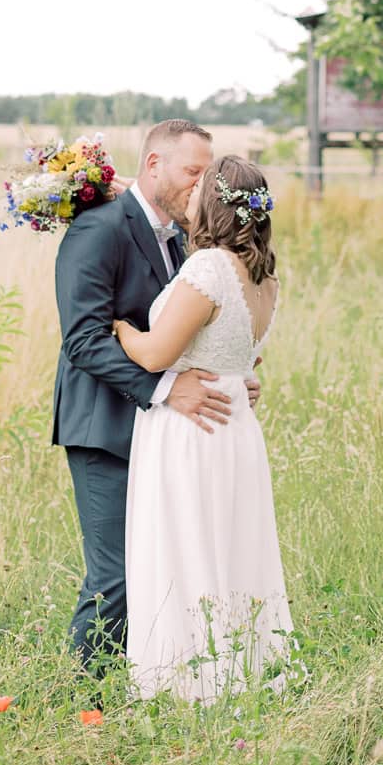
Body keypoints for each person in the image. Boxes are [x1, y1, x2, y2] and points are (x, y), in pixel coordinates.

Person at [52, 120, 260, 672]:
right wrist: (168, 388)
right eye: (193, 171)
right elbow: (82, 339)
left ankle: (145, 687)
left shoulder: (188, 240)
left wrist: (228, 375)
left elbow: (191, 331)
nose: (201, 184)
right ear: (153, 165)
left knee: (159, 567)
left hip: (165, 435)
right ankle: (82, 702)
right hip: (106, 425)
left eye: (206, 174)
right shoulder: (100, 228)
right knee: (116, 576)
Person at [113, 153, 292, 703]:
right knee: (230, 548)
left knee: (185, 544)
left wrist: (120, 328)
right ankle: (240, 672)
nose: (188, 193)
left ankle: (184, 684)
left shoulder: (209, 267)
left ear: (213, 203)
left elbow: (155, 353)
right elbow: (241, 357)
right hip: (233, 427)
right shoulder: (265, 278)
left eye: (198, 187)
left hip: (190, 431)